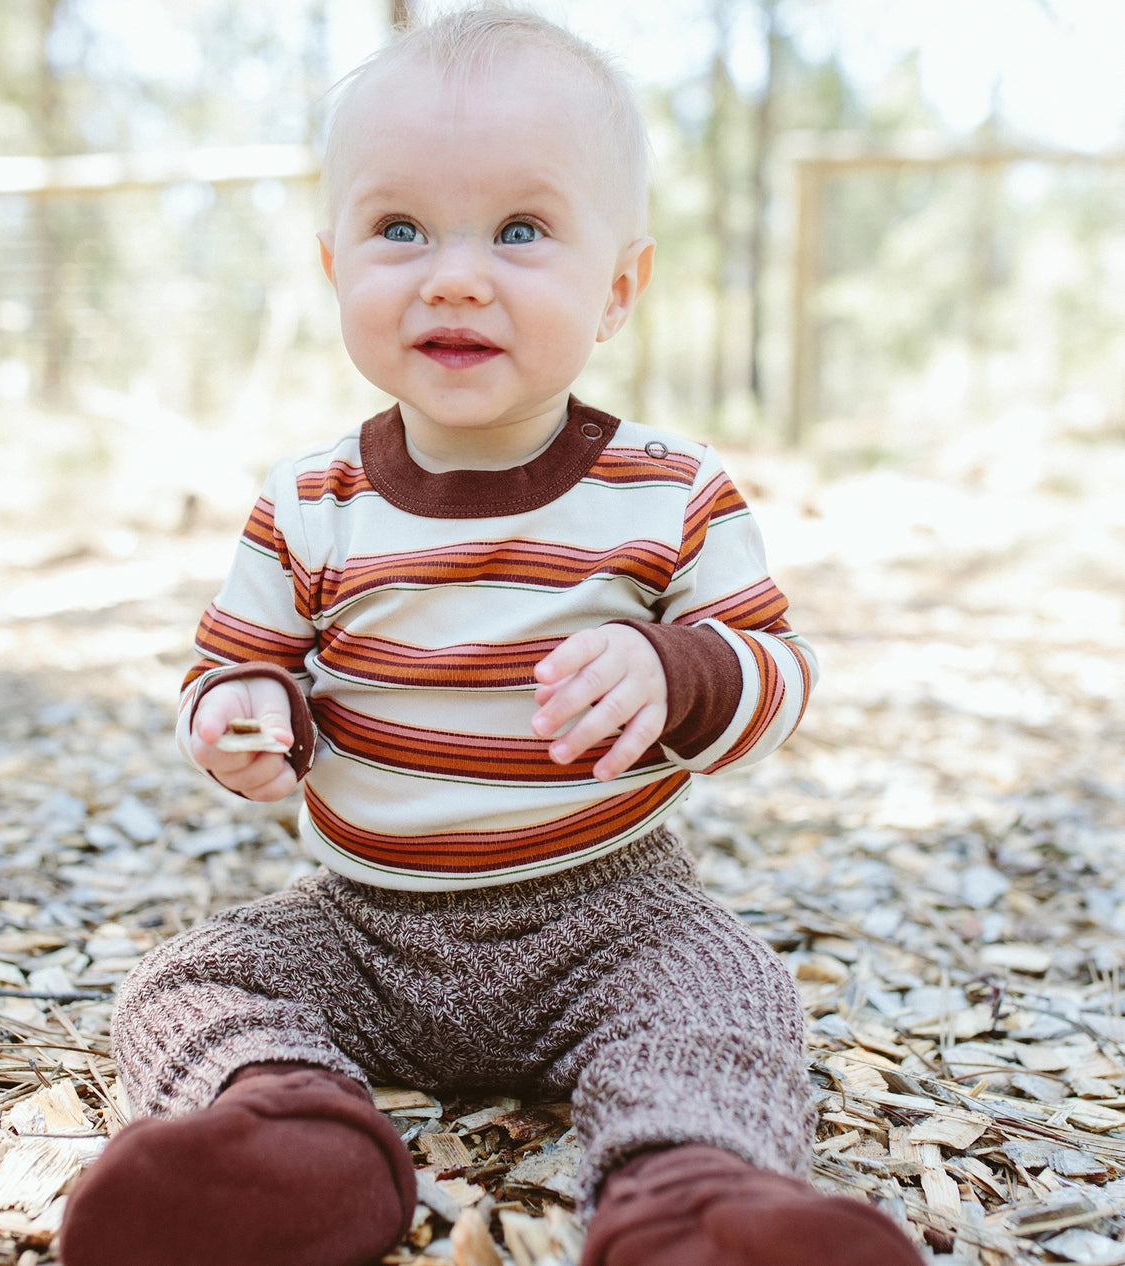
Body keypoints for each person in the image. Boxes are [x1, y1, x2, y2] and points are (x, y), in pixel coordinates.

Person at [59, 6, 924, 1266]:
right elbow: (238, 663)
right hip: (361, 924)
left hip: (615, 914)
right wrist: (241, 713)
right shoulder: (309, 502)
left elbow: (782, 676)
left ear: (617, 287)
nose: (452, 274)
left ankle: (694, 1202)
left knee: (726, 1003)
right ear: (334, 268)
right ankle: (284, 1154)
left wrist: (676, 671)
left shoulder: (667, 488)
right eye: (399, 228)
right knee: (185, 981)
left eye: (521, 230)